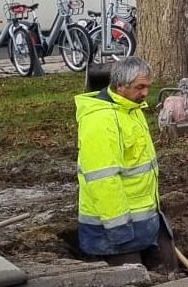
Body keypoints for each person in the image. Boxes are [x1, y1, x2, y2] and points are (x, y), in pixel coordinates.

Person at [75, 57, 176, 273]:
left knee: (169, 275)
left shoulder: (131, 109)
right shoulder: (100, 122)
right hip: (113, 230)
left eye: (148, 86)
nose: (146, 93)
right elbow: (103, 182)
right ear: (120, 86)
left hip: (144, 223)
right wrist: (120, 232)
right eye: (140, 87)